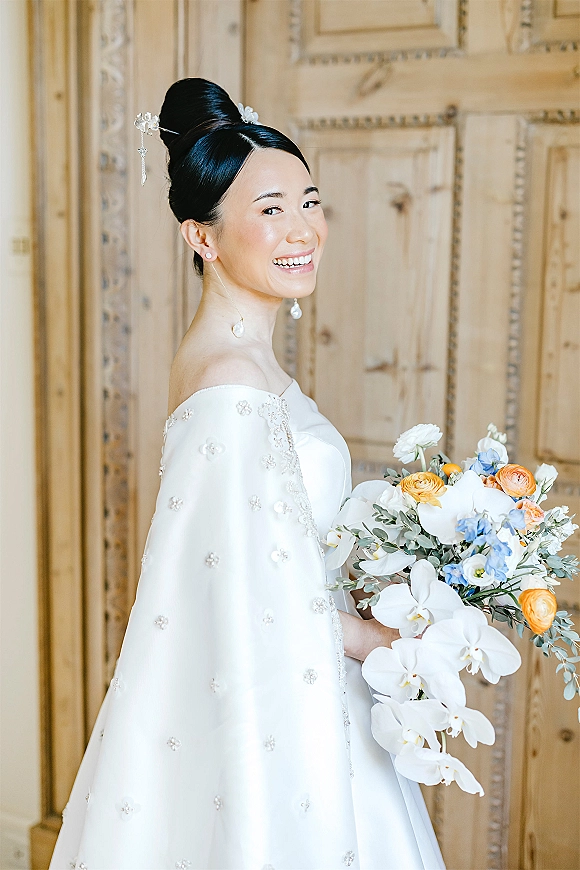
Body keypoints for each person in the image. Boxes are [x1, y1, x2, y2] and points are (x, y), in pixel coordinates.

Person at [49, 78, 445, 870]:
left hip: (299, 685)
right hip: (283, 707)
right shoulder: (229, 386)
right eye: (269, 211)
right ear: (204, 237)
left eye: (309, 201)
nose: (303, 229)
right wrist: (378, 637)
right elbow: (244, 597)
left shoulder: (240, 361)